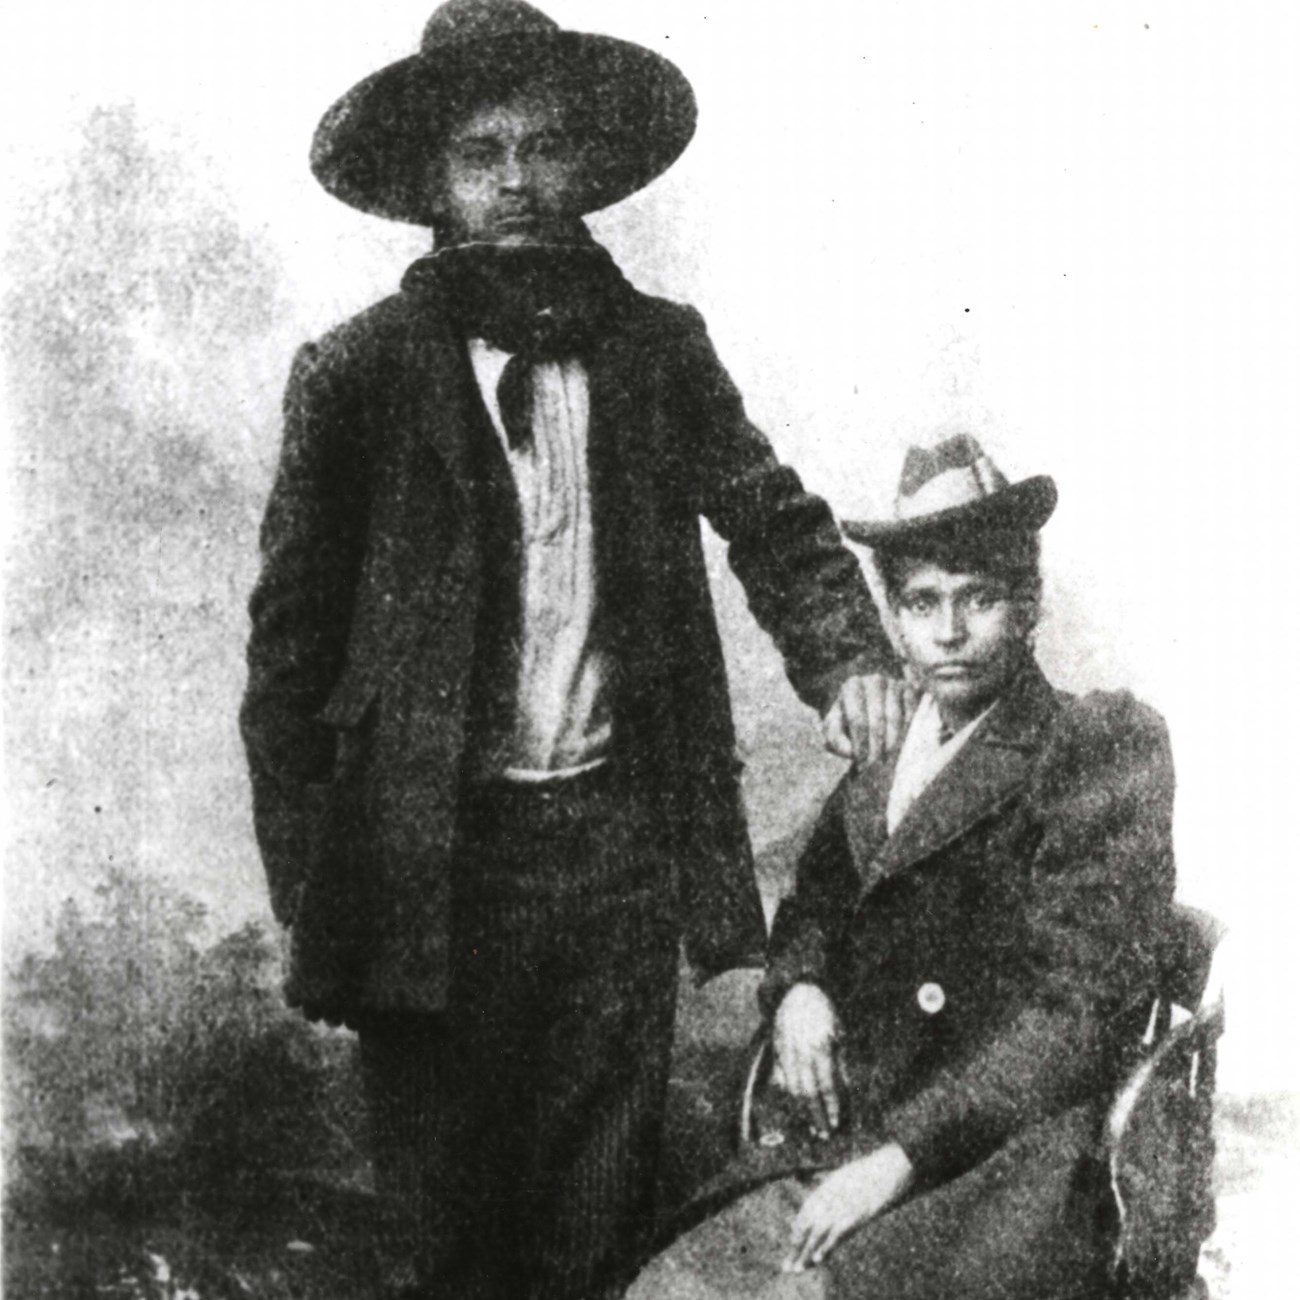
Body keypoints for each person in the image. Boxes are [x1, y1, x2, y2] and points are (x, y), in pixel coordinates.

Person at [239, 3, 904, 1297]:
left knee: (594, 1221)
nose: (515, 180)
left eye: (544, 147)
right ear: (434, 182)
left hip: (611, 863)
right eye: (482, 152)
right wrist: (314, 892)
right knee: (450, 1233)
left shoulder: (660, 353)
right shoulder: (357, 377)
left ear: (588, 165)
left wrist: (850, 658)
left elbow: (775, 520)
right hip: (435, 873)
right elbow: (288, 668)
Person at [627, 433, 1179, 1300]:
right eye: (922, 604)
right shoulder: (890, 753)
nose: (950, 632)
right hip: (856, 1130)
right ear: (892, 617)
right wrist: (800, 989)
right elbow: (816, 904)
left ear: (1029, 603)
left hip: (997, 1165)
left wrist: (901, 1159)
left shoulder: (1093, 744)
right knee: (664, 1288)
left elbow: (1070, 1017)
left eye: (980, 597)